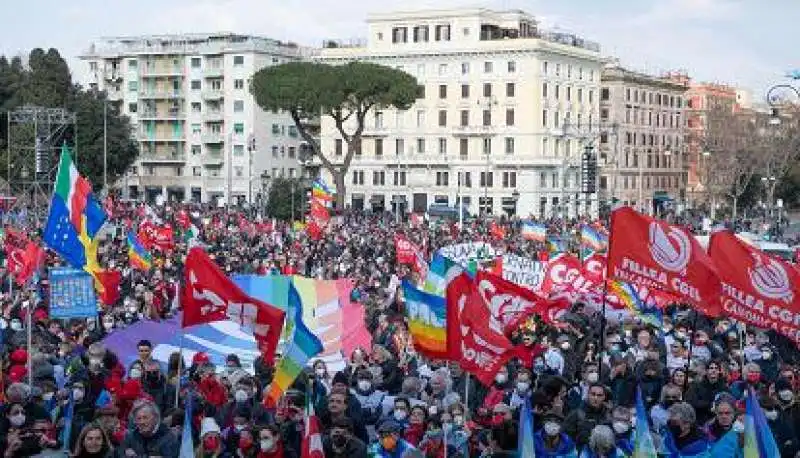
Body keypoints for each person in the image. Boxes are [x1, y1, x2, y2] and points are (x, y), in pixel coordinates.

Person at [563, 383, 611, 449]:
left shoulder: (608, 415)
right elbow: (565, 438)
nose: (595, 398)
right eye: (593, 394)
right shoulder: (576, 414)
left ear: (604, 397)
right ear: (588, 394)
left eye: (599, 395)